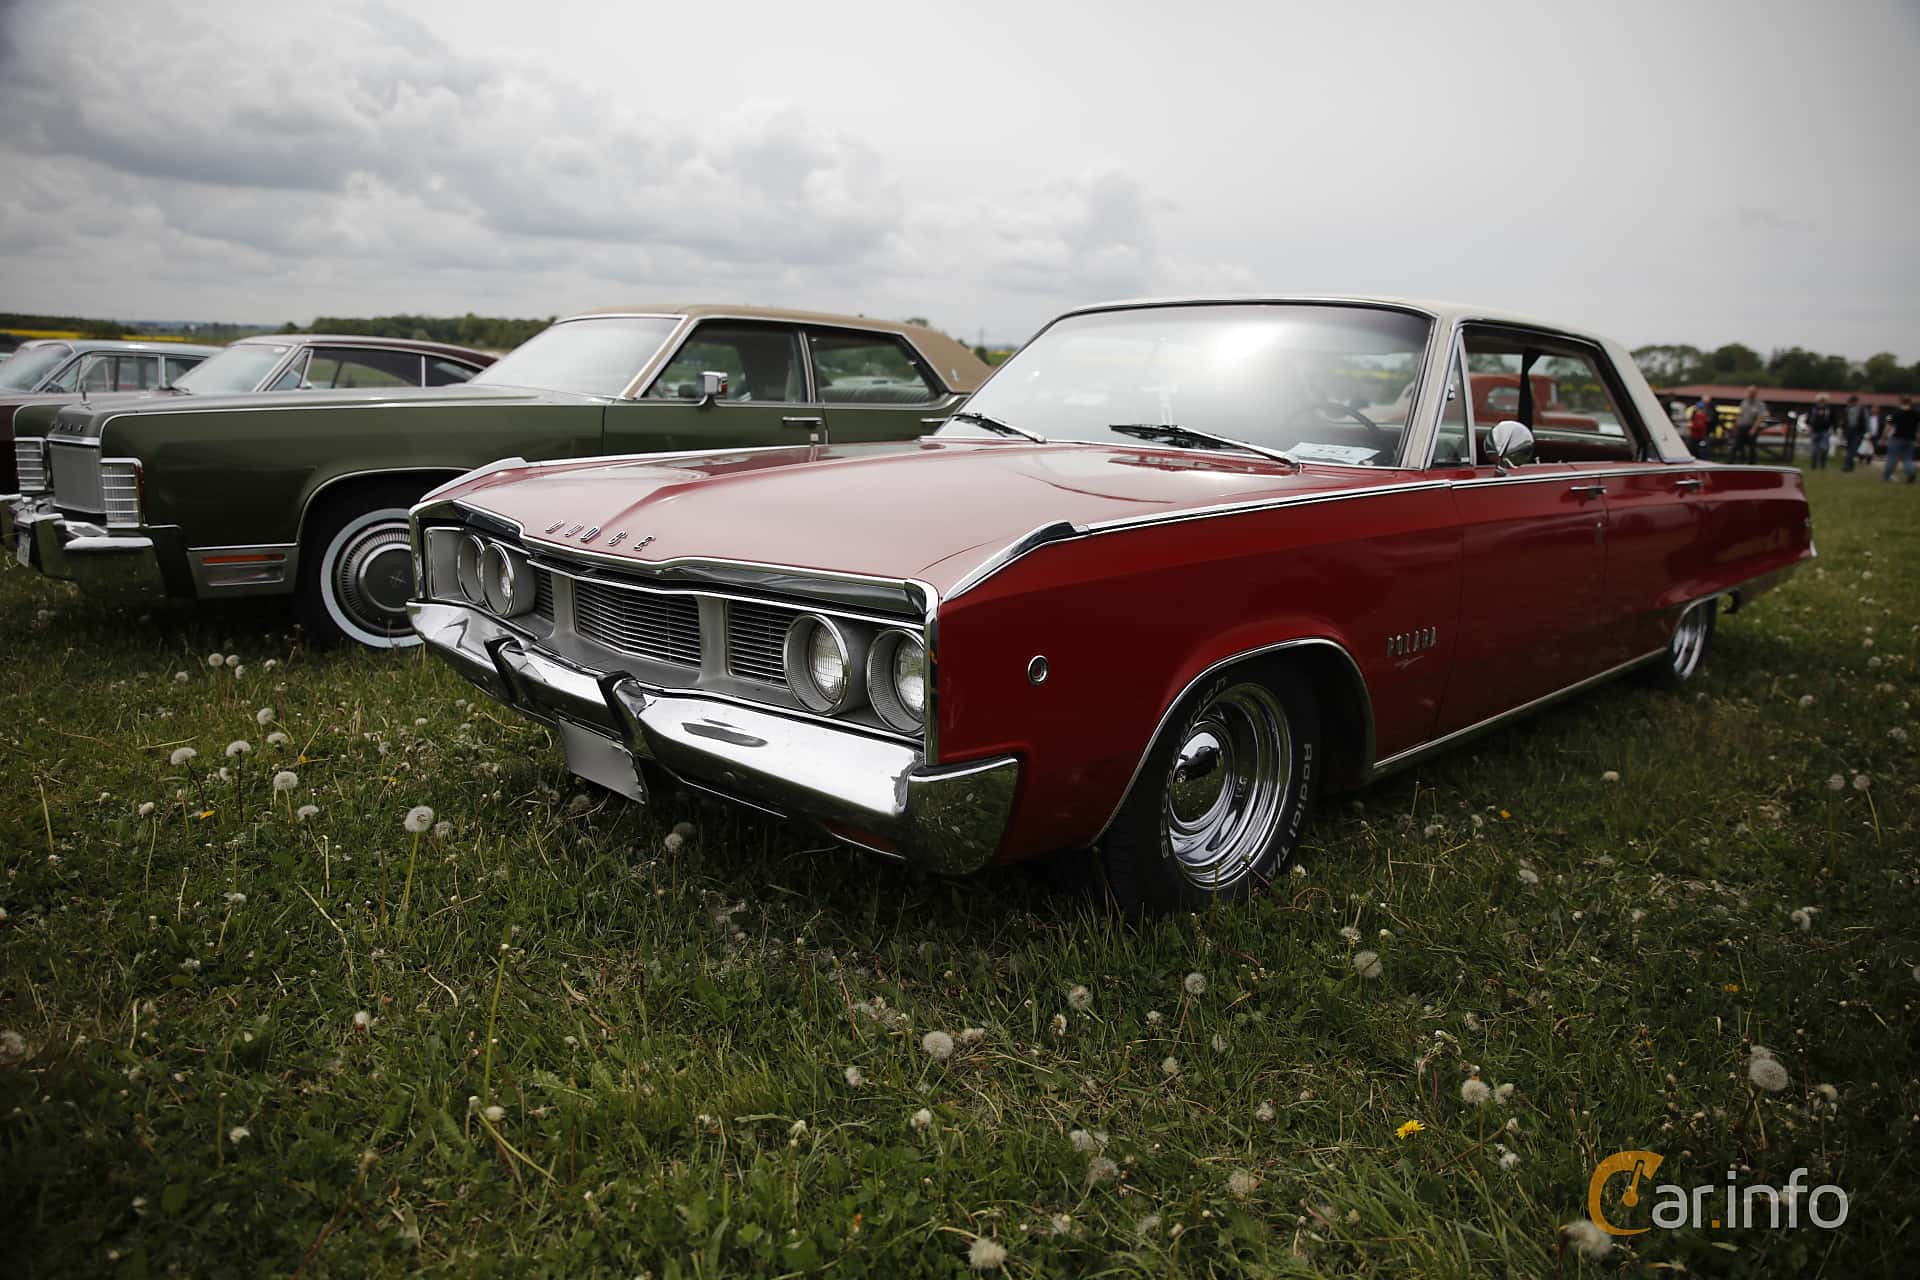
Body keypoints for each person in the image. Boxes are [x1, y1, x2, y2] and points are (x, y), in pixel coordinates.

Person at [1885, 396, 1918, 483]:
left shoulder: (1895, 413)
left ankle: (1887, 476)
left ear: (1900, 402)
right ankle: (1911, 473)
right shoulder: (1916, 413)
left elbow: (1888, 424)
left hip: (1896, 438)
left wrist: (1883, 436)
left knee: (1892, 458)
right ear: (1910, 403)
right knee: (1908, 459)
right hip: (1910, 439)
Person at [1730, 386, 1766, 465]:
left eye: (1752, 392)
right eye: (1749, 392)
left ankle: (1752, 464)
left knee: (1752, 447)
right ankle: (1733, 462)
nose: (1750, 394)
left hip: (1751, 427)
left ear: (1755, 393)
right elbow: (1740, 415)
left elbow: (1760, 418)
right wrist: (1735, 425)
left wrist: (1754, 429)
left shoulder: (1760, 404)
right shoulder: (1744, 402)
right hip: (1742, 427)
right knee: (1737, 445)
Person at [1806, 393, 1837, 469]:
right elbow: (1807, 420)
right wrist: (1810, 426)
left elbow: (1834, 420)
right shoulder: (1813, 409)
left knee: (1824, 449)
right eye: (1820, 400)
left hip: (1825, 431)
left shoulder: (1829, 410)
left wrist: (1834, 429)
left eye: (1823, 401)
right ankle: (1813, 466)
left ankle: (1823, 465)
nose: (1822, 402)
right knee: (1814, 450)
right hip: (1814, 431)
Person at [1842, 394, 1869, 471]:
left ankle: (1847, 465)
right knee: (1851, 449)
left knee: (1852, 449)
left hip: (1857, 431)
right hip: (1851, 431)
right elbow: (1844, 421)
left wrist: (1867, 431)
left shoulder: (1861, 409)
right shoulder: (1848, 409)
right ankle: (1849, 466)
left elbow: (1866, 421)